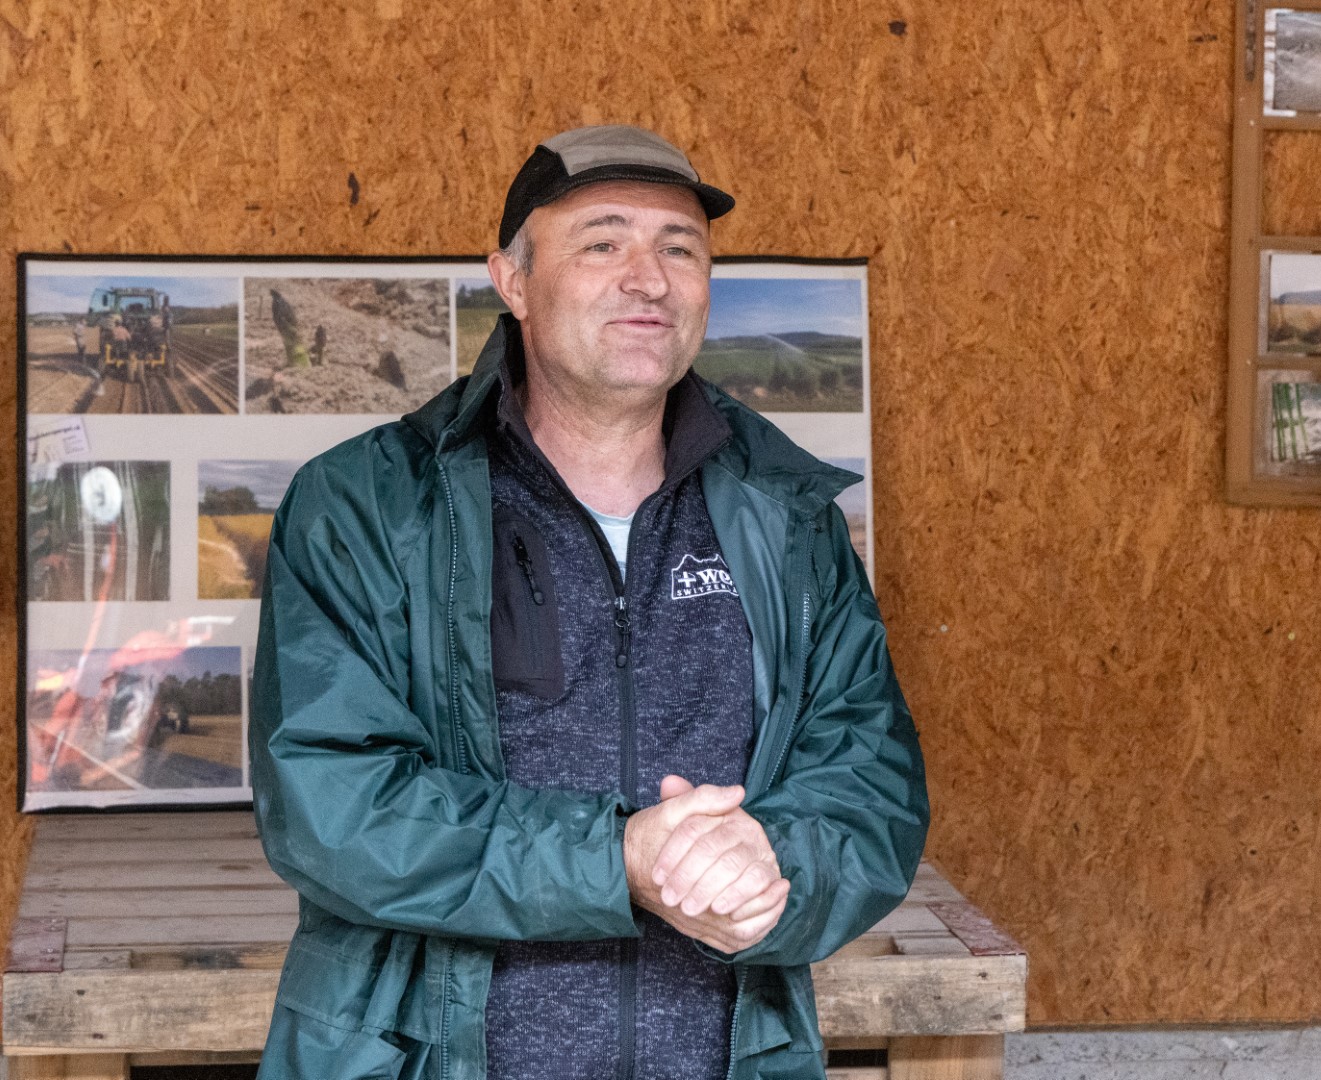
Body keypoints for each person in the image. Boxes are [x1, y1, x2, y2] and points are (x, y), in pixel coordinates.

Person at [249, 124, 928, 1080]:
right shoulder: (367, 505)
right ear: (514, 282)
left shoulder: (785, 514)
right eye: (602, 243)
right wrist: (614, 864)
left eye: (679, 249)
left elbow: (868, 782)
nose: (647, 279)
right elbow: (330, 804)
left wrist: (777, 871)